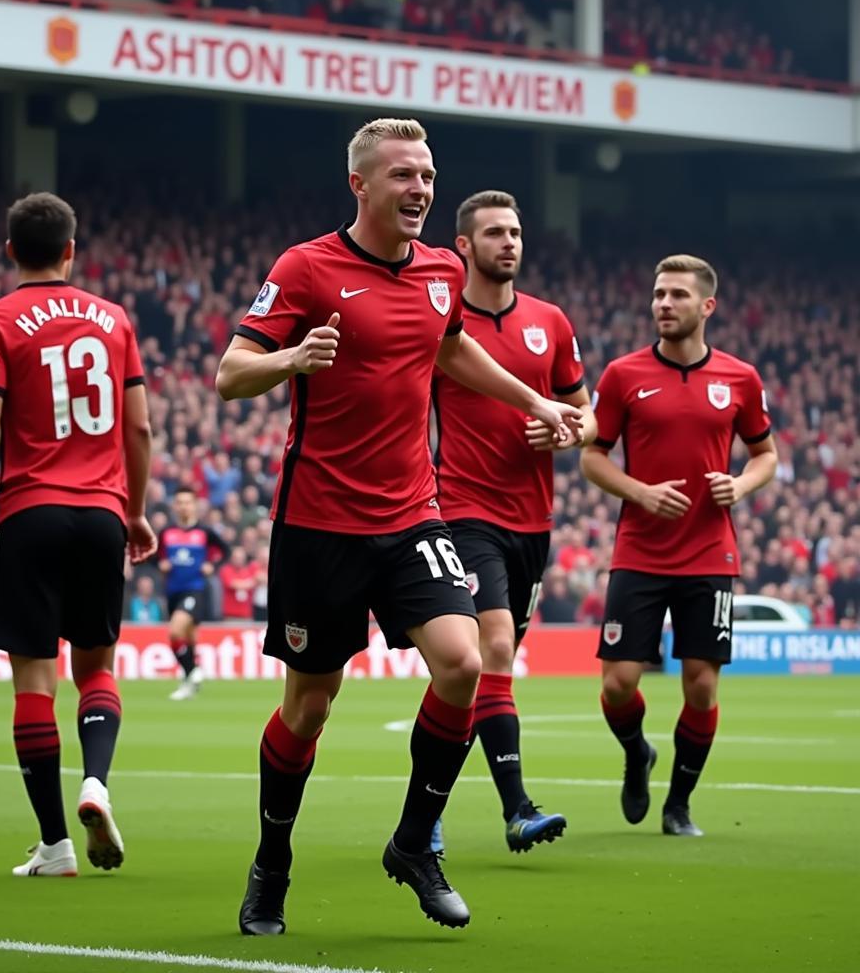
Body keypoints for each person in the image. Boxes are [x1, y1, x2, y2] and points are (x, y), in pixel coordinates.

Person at [216, 117, 583, 935]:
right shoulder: (306, 267)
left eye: (427, 174)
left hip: (414, 512)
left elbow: (450, 349)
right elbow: (230, 372)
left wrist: (534, 398)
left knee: (464, 664)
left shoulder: (443, 272)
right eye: (402, 176)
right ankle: (271, 863)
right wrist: (291, 360)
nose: (419, 189)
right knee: (309, 709)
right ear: (361, 185)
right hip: (317, 524)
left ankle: (415, 843)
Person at [0, 192, 157, 876]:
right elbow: (140, 427)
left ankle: (55, 845)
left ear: (11, 251)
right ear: (72, 249)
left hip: (29, 513)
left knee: (33, 682)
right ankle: (96, 781)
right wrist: (134, 509)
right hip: (102, 513)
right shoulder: (114, 320)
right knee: (95, 666)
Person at [581, 254, 776, 836]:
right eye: (659, 294)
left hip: (709, 552)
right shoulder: (621, 374)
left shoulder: (740, 378)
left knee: (701, 683)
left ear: (706, 306)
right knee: (618, 685)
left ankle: (679, 805)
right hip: (639, 550)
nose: (663, 304)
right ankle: (637, 752)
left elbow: (766, 455)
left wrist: (739, 483)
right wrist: (639, 492)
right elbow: (593, 457)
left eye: (677, 296)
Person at [432, 189, 596, 855]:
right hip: (462, 510)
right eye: (496, 232)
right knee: (493, 648)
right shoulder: (440, 318)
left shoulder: (550, 322)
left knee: (480, 673)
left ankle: (425, 805)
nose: (510, 243)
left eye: (517, 232)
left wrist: (565, 435)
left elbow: (588, 417)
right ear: (464, 245)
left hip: (533, 521)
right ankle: (518, 808)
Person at [158, 487, 229, 700]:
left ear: (195, 505)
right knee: (187, 640)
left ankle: (192, 672)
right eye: (179, 502)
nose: (183, 506)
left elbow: (226, 551)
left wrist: (212, 565)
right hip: (173, 592)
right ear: (174, 506)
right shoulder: (166, 533)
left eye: (187, 502)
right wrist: (159, 562)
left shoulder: (205, 532)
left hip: (195, 590)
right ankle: (189, 683)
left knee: (175, 631)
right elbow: (153, 553)